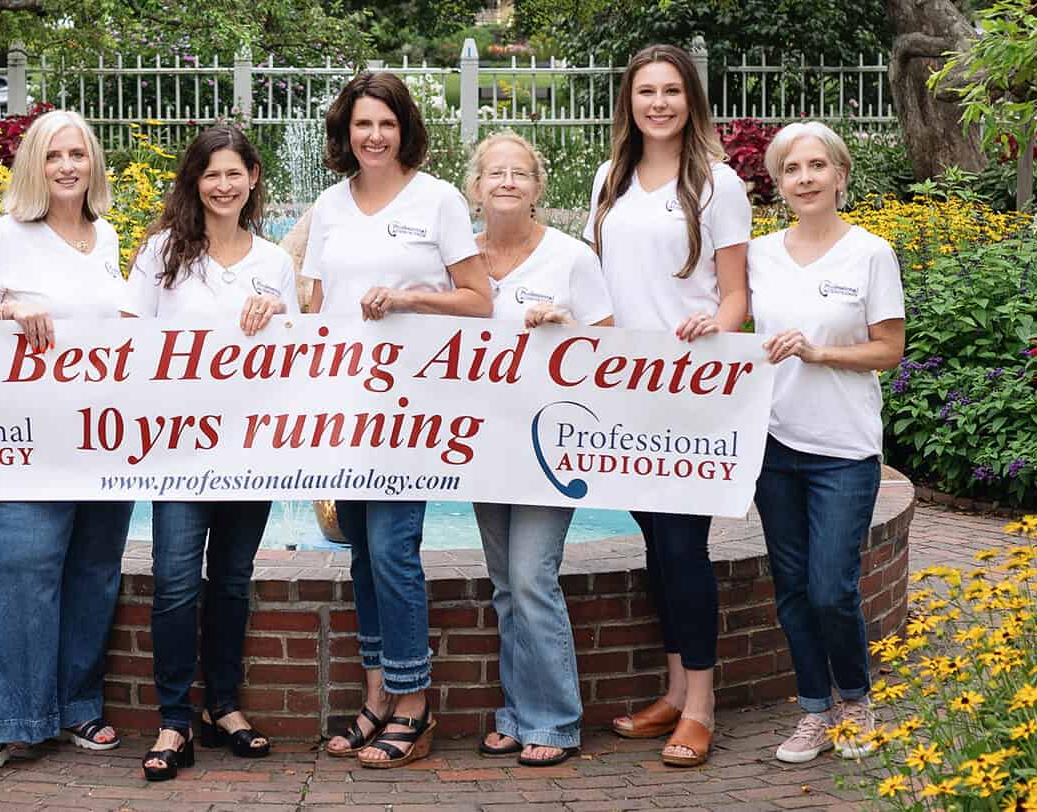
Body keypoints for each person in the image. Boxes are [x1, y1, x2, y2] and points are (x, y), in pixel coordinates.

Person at [303, 71, 492, 770]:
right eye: (361, 125)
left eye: (385, 123)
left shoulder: (437, 200)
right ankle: (377, 691)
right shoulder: (329, 204)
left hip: (411, 409)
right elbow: (319, 308)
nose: (374, 136)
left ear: (404, 127)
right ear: (345, 133)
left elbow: (479, 300)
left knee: (393, 549)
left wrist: (413, 300)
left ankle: (415, 701)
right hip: (344, 408)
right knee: (359, 549)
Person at [0, 110, 134, 783]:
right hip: (24, 441)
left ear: (93, 165)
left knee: (92, 573)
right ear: (35, 164)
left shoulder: (106, 237)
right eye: (54, 155)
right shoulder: (9, 235)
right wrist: (7, 310)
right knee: (22, 571)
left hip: (102, 441)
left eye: (78, 155)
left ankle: (76, 706)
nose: (67, 167)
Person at [582, 43, 751, 769]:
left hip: (688, 393)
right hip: (624, 393)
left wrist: (718, 322)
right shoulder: (608, 178)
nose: (658, 103)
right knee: (657, 547)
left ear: (691, 101)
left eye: (672, 91)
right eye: (646, 91)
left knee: (685, 548)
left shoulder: (718, 184)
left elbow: (738, 295)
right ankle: (676, 692)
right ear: (629, 101)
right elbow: (601, 284)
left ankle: (704, 709)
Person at [118, 124, 295, 781]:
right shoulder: (163, 253)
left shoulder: (273, 262)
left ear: (252, 179)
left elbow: (298, 354)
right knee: (172, 582)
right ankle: (173, 718)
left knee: (230, 580)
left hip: (249, 449)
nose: (224, 185)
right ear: (195, 180)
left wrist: (278, 315)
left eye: (235, 173)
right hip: (178, 449)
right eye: (212, 173)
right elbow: (129, 340)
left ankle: (224, 705)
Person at [748, 122, 905, 764]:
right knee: (789, 587)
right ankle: (814, 712)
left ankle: (856, 703)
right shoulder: (759, 254)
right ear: (778, 182)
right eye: (792, 168)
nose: (805, 178)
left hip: (843, 449)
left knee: (830, 588)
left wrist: (819, 352)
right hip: (773, 446)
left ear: (841, 175)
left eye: (818, 165)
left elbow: (890, 350)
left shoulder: (870, 252)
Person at [460, 131, 612, 769]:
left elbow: (610, 346)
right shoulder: (459, 260)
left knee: (531, 577)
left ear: (538, 187)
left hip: (549, 444)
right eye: (495, 172)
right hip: (478, 445)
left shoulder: (571, 257)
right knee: (504, 584)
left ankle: (554, 720)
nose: (506, 182)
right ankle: (516, 714)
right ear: (474, 187)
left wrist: (567, 329)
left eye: (520, 173)